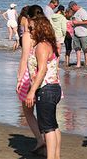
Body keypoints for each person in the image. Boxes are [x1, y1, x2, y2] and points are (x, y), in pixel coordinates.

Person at [25, 15, 62, 159]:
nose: (29, 31)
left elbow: (42, 70)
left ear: (40, 28)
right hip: (54, 88)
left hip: (46, 89)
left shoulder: (41, 46)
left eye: (31, 28)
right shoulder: (49, 44)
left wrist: (32, 91)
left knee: (48, 128)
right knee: (52, 125)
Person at [15, 5, 45, 153]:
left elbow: (24, 58)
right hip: (45, 73)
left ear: (27, 19)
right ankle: (47, 139)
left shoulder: (28, 35)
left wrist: (19, 79)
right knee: (44, 110)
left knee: (27, 111)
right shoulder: (45, 31)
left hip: (30, 74)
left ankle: (40, 139)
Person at [69, 1, 87, 67]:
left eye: (71, 8)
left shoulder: (83, 11)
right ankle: (78, 64)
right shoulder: (74, 12)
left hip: (84, 34)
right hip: (76, 33)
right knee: (77, 49)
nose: (71, 9)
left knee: (85, 49)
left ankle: (86, 63)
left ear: (74, 6)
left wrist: (77, 23)